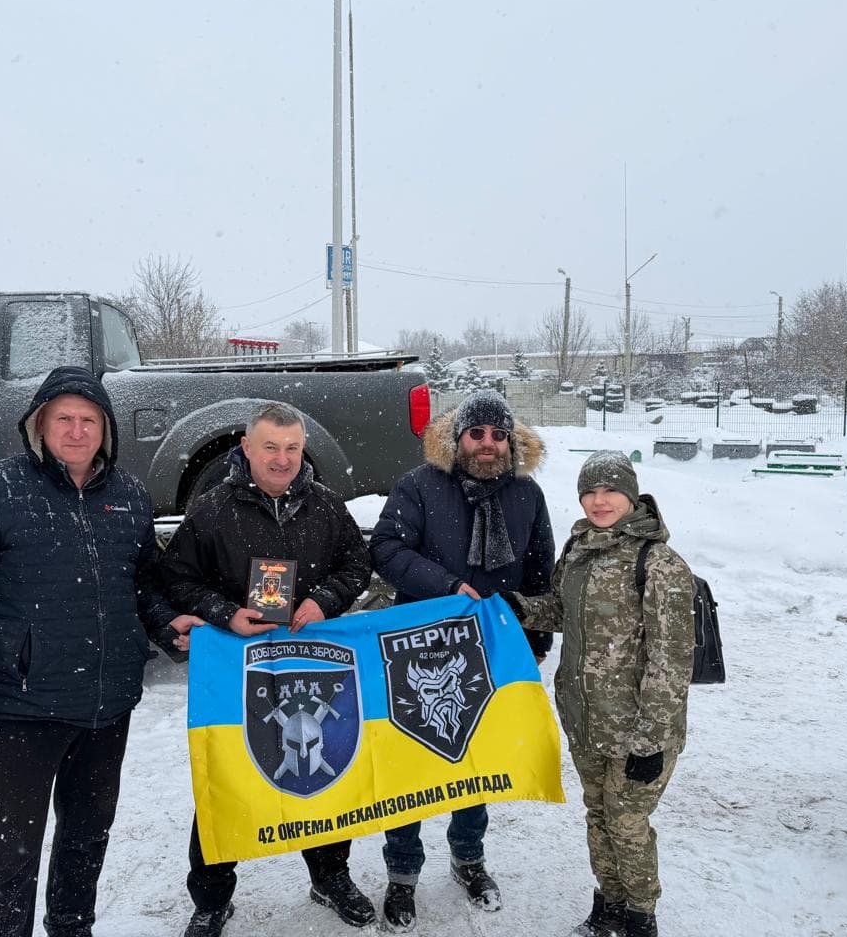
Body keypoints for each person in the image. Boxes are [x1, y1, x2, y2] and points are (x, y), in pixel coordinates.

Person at [0, 365, 180, 937]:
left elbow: (143, 586)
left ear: (105, 430)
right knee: (9, 853)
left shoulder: (129, 496)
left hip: (106, 706)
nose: (77, 429)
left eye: (90, 419)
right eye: (63, 417)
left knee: (87, 837)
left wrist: (172, 628)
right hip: (20, 708)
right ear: (40, 424)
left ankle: (72, 927)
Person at [158, 401, 376, 937]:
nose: (282, 459)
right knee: (229, 775)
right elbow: (176, 579)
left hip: (313, 665)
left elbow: (357, 563)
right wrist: (222, 613)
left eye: (292, 448)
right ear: (247, 449)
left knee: (324, 774)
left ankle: (330, 875)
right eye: (271, 448)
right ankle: (210, 897)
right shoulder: (211, 511)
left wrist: (325, 600)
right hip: (241, 669)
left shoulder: (326, 506)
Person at [368, 389, 555, 931]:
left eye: (498, 435)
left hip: (491, 650)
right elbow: (386, 549)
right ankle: (402, 873)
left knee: (476, 762)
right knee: (410, 766)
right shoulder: (419, 486)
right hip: (418, 648)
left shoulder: (526, 494)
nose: (488, 445)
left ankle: (468, 860)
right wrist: (450, 587)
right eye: (477, 434)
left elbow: (541, 568)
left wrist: (535, 642)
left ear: (511, 441)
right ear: (457, 438)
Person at [510, 450, 693, 937]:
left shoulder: (658, 563)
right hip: (586, 718)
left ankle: (639, 915)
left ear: (631, 496)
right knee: (598, 814)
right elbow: (563, 614)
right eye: (589, 491)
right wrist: (522, 609)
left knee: (627, 822)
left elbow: (671, 661)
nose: (599, 500)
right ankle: (609, 904)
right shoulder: (578, 550)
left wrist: (652, 739)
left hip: (637, 727)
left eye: (610, 490)